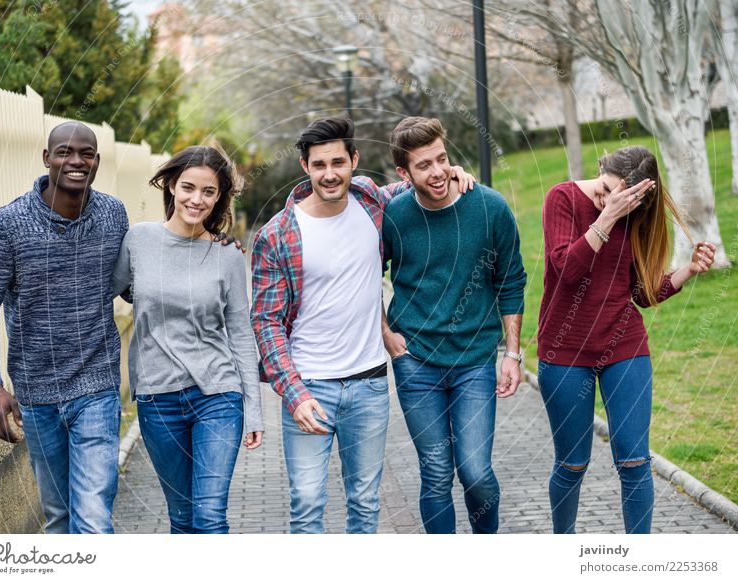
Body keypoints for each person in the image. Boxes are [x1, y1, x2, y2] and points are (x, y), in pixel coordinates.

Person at [250, 117, 474, 534]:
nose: (330, 173)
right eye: (319, 165)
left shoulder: (372, 201)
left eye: (339, 161)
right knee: (307, 503)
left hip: (369, 384)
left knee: (366, 503)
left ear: (354, 160)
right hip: (309, 386)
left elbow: (418, 181)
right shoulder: (278, 234)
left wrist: (451, 171)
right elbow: (265, 322)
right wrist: (293, 393)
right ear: (305, 167)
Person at [537, 145, 716, 534]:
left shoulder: (634, 214)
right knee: (572, 464)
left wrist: (686, 271)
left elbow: (640, 293)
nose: (607, 200)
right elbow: (567, 270)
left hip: (624, 346)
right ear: (601, 167)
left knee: (634, 462)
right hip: (564, 352)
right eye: (604, 190)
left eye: (620, 199)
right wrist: (607, 215)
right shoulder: (562, 198)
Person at [0, 122, 128, 534]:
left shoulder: (113, 214)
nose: (76, 161)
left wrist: (205, 244)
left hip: (97, 386)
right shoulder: (9, 224)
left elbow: (134, 285)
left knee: (92, 519)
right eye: (65, 152)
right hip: (37, 396)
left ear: (96, 161)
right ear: (47, 158)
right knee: (59, 518)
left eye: (85, 153)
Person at [382, 117, 527, 534]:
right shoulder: (393, 215)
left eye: (442, 159)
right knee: (436, 473)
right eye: (423, 165)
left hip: (475, 360)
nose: (438, 171)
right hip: (415, 361)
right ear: (403, 174)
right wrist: (384, 332)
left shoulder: (489, 207)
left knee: (476, 472)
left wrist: (513, 354)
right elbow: (364, 273)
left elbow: (511, 279)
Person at [112, 145, 263, 534]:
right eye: (188, 188)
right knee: (181, 520)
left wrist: (254, 408)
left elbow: (241, 334)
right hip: (157, 398)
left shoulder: (227, 256)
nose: (197, 199)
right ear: (171, 187)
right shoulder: (138, 240)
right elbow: (111, 293)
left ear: (220, 197)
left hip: (217, 395)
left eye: (209, 192)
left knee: (210, 517)